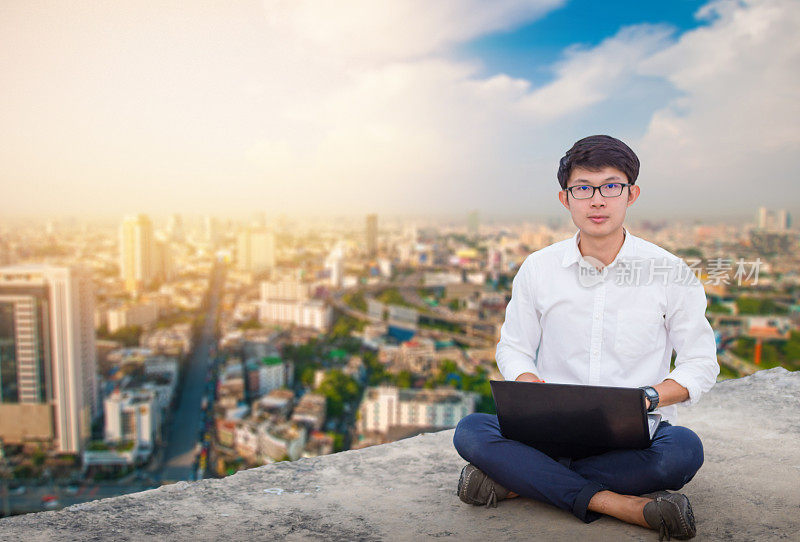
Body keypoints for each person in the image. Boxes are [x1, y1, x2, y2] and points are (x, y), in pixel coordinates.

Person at [453, 135, 719, 540]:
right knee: (470, 429)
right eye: (584, 188)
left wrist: (648, 397)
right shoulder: (539, 268)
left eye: (611, 186)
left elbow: (701, 363)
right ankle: (623, 505)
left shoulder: (669, 271)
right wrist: (527, 384)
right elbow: (514, 347)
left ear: (632, 194)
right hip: (549, 428)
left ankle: (515, 482)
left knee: (683, 451)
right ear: (566, 199)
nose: (598, 200)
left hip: (634, 433)